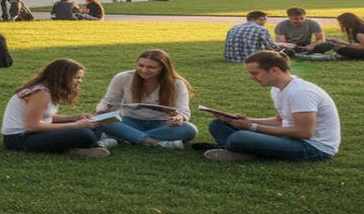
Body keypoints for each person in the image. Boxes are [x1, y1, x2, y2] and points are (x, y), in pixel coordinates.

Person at [202, 51, 340, 162]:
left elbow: (304, 132)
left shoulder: (301, 92)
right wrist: (244, 120)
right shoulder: (277, 88)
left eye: (255, 73)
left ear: (274, 70)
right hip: (291, 139)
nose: (251, 77)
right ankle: (237, 150)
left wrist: (251, 127)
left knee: (239, 137)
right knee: (218, 124)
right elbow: (281, 121)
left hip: (312, 147)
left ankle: (236, 149)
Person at [0, 59, 106, 156]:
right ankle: (94, 144)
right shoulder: (40, 92)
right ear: (62, 77)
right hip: (20, 139)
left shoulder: (50, 89)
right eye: (76, 78)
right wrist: (76, 125)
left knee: (95, 123)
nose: (80, 81)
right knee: (85, 134)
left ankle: (83, 147)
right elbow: (32, 126)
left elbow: (47, 117)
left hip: (35, 132)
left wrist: (75, 117)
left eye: (81, 78)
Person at [95, 50, 196, 150]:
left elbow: (183, 110)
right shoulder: (123, 77)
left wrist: (179, 117)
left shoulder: (176, 84)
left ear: (163, 68)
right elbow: (108, 101)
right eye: (141, 65)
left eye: (151, 67)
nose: (144, 70)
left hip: (162, 124)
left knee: (190, 129)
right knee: (100, 119)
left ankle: (122, 138)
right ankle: (155, 142)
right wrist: (102, 110)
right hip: (129, 121)